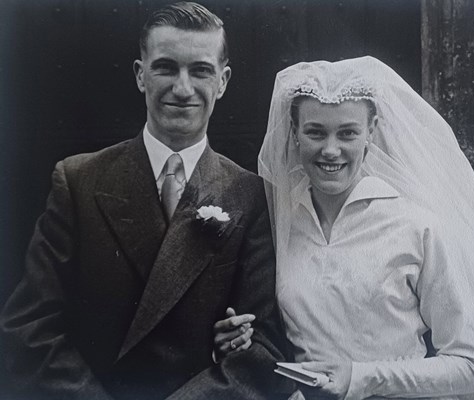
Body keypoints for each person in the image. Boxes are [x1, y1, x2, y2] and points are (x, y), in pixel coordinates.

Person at [214, 57, 474, 399]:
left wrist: (363, 377)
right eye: (316, 132)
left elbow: (470, 364)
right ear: (294, 134)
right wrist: (240, 340)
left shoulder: (415, 226)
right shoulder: (277, 221)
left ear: (371, 131)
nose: (331, 150)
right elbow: (271, 333)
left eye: (347, 133)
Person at [0, 2, 286, 399]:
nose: (182, 89)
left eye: (200, 70)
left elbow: (263, 347)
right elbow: (30, 328)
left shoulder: (250, 194)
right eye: (166, 67)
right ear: (141, 75)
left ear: (222, 81)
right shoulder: (79, 179)